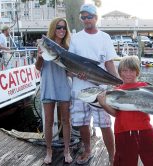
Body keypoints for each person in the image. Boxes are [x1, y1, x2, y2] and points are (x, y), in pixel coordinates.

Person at [69, 3, 118, 165]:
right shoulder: (75, 38)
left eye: (89, 16)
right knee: (82, 123)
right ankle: (88, 150)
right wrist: (77, 73)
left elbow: (109, 63)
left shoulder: (105, 37)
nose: (86, 20)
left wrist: (119, 83)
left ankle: (112, 155)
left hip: (100, 90)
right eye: (83, 17)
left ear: (96, 18)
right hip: (79, 89)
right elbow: (70, 65)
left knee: (105, 124)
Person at [97, 56, 153, 166]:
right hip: (122, 131)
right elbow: (116, 113)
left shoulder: (145, 87)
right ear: (120, 72)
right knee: (125, 162)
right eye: (124, 71)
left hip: (145, 129)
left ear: (137, 72)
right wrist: (103, 104)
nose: (128, 74)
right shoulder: (116, 91)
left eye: (131, 71)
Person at [35, 17, 72, 164]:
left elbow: (69, 72)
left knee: (66, 121)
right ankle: (49, 150)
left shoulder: (68, 47)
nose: (62, 30)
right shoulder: (44, 44)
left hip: (63, 85)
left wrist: (77, 73)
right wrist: (39, 57)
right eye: (58, 27)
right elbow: (38, 67)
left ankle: (67, 150)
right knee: (48, 121)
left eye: (64, 27)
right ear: (53, 29)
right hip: (48, 86)